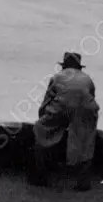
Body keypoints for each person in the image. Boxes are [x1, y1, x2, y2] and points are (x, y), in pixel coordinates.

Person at [28, 52, 99, 191]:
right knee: (85, 141)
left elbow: (48, 99)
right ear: (79, 66)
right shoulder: (87, 78)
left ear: (64, 65)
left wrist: (44, 118)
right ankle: (83, 182)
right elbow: (92, 96)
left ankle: (40, 176)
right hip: (85, 109)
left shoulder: (58, 77)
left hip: (62, 106)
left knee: (41, 131)